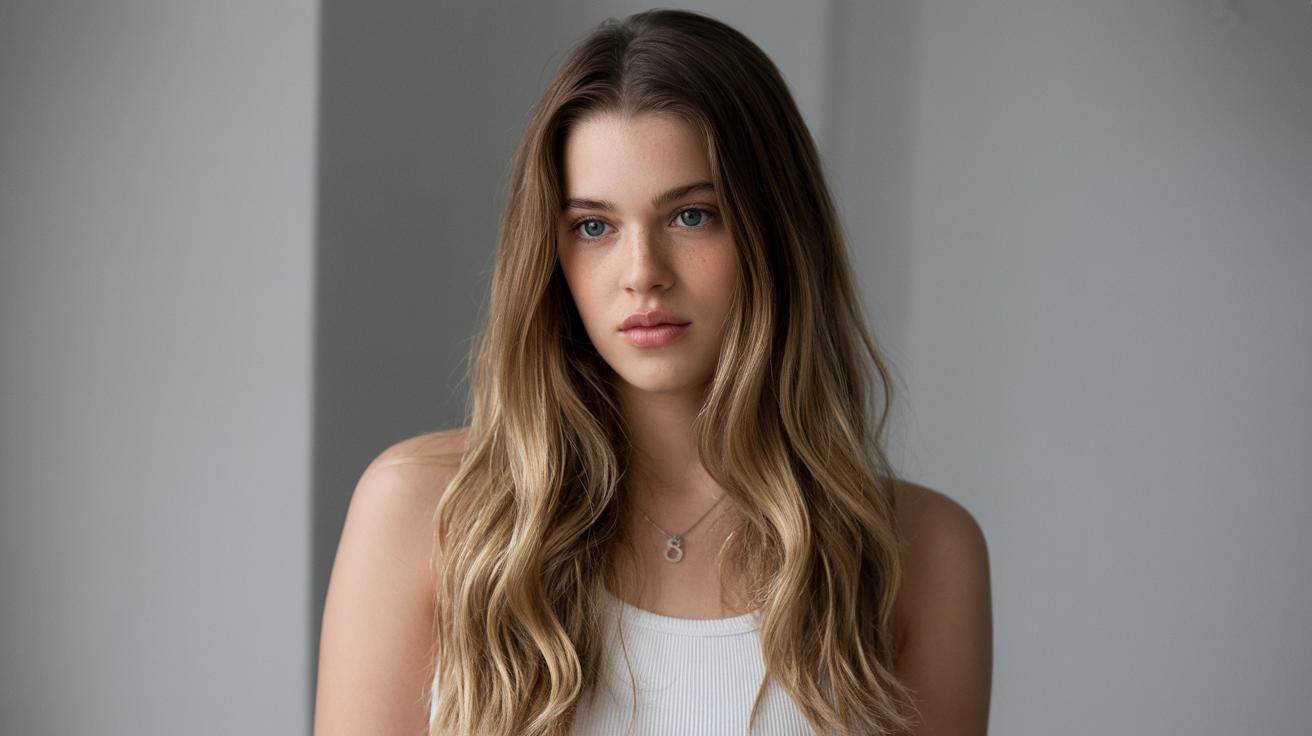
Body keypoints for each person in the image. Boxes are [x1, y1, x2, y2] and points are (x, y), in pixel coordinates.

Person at [315, 10, 991, 736]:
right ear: (551, 255)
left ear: (778, 231)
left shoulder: (923, 556)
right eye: (594, 226)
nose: (642, 274)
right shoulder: (424, 514)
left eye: (691, 216)